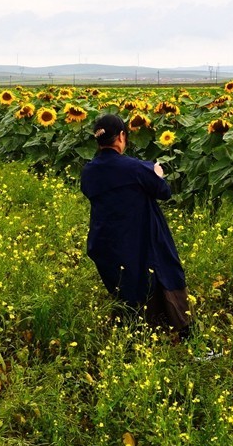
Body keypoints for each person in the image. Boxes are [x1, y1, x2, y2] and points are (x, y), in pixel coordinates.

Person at [80, 113, 193, 340]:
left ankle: (134, 330)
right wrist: (158, 175)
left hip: (107, 241)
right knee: (163, 270)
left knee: (126, 285)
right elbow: (164, 192)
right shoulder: (136, 168)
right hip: (141, 236)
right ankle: (181, 329)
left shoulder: (88, 171)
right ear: (121, 136)